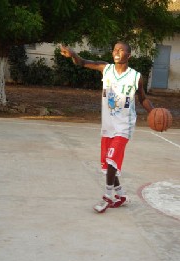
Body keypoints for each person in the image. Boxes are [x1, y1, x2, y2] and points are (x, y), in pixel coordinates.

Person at [60, 42, 154, 213]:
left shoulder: (135, 77)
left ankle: (107, 197)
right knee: (107, 166)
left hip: (124, 126)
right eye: (115, 49)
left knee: (112, 161)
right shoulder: (106, 69)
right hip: (108, 125)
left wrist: (154, 112)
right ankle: (121, 195)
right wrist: (73, 54)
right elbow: (82, 62)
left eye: (121, 49)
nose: (117, 51)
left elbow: (142, 98)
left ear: (129, 55)